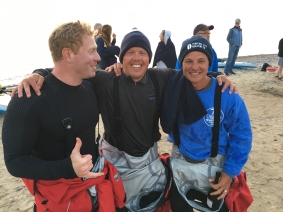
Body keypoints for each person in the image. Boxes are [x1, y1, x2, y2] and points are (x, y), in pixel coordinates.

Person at [11, 30, 237, 212]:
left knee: (154, 202)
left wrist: (218, 76)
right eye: (130, 53)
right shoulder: (106, 79)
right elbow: (64, 72)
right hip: (114, 161)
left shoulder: (160, 77)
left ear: (149, 58)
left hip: (149, 158)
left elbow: (192, 71)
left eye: (142, 53)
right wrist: (38, 72)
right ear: (122, 57)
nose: (137, 58)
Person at [2, 21, 126, 212]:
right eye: (91, 51)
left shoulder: (90, 85)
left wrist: (119, 66)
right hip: (60, 199)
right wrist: (67, 168)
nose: (98, 57)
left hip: (94, 191)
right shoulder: (28, 100)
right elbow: (14, 161)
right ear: (68, 54)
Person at [160, 36, 252, 212]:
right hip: (181, 164)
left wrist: (230, 172)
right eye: (189, 61)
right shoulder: (172, 87)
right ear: (181, 63)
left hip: (216, 169)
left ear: (209, 62)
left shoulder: (227, 94)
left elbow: (242, 135)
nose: (195, 67)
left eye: (201, 61)